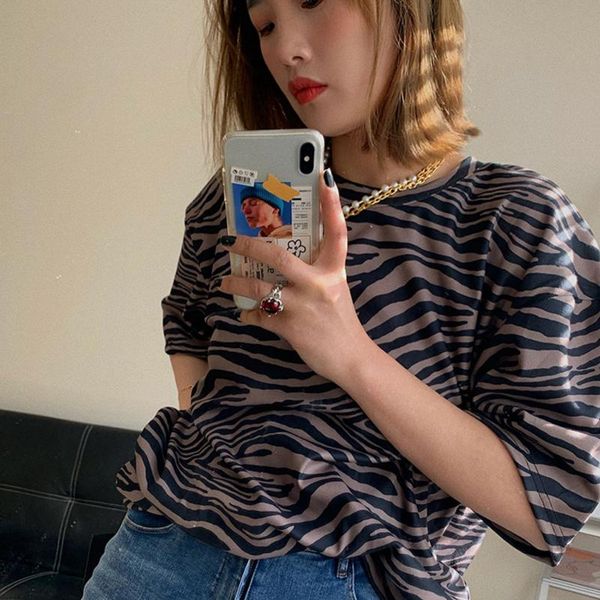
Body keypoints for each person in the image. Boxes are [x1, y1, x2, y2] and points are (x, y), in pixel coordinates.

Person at [83, 1, 600, 599]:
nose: (285, 50)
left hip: (361, 579)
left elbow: (544, 505)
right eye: (265, 26)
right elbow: (187, 321)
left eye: (312, 2)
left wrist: (348, 351)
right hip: (160, 551)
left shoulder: (517, 219)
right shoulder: (242, 196)